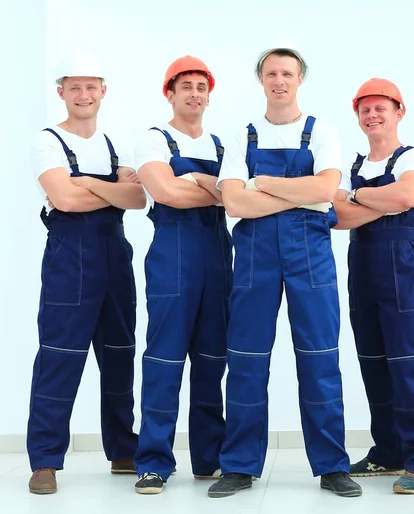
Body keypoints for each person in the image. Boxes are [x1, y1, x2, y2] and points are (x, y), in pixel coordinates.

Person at [207, 43, 361, 498]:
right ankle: (238, 465)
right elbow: (234, 202)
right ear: (261, 80)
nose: (279, 81)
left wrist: (265, 184)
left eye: (287, 74)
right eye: (271, 73)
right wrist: (302, 192)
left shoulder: (323, 132)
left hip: (309, 256)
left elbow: (326, 189)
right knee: (247, 359)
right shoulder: (243, 136)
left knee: (319, 358)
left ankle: (332, 465)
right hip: (254, 255)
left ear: (299, 80)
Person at [27, 54, 145, 494]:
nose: (83, 95)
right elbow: (64, 200)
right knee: (60, 356)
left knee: (119, 353)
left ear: (103, 91)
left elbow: (138, 200)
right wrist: (109, 187)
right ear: (61, 92)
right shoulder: (48, 141)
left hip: (114, 256)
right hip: (69, 258)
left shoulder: (115, 144)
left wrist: (86, 184)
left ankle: (122, 449)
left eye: (91, 86)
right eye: (74, 87)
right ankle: (44, 461)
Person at [333, 78, 414, 494]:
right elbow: (337, 216)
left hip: (405, 272)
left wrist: (359, 197)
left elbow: (406, 197)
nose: (373, 115)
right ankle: (387, 451)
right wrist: (375, 199)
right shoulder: (352, 165)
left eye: (381, 108)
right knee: (374, 363)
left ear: (399, 112)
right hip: (362, 271)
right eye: (365, 109)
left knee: (411, 363)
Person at [132, 56, 233, 494]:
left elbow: (237, 198)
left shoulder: (220, 146)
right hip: (173, 254)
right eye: (185, 86)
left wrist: (196, 180)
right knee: (165, 357)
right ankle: (153, 461)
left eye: (200, 86)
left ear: (209, 95)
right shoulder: (154, 140)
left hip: (217, 253)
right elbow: (165, 193)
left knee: (213, 358)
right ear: (169, 93)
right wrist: (212, 189)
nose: (194, 93)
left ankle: (210, 458)